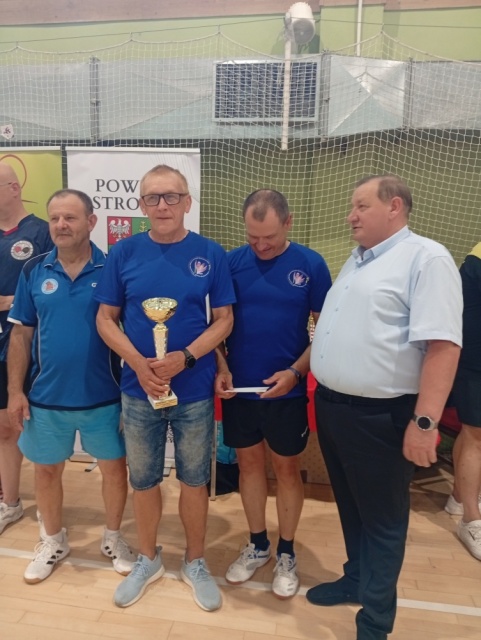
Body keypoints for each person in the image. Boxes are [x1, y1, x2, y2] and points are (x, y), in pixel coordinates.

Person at [307, 175, 463, 640]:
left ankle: (374, 623)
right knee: (352, 508)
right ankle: (356, 579)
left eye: (361, 206)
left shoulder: (426, 259)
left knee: (383, 521)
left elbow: (443, 347)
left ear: (394, 207)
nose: (350, 216)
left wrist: (424, 422)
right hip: (335, 408)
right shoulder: (359, 259)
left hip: (381, 416)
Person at [95, 164, 235, 611]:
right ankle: (148, 558)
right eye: (152, 198)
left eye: (171, 196)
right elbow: (105, 319)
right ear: (141, 205)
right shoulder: (123, 253)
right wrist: (139, 364)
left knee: (194, 480)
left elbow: (224, 320)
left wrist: (185, 357)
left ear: (187, 202)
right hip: (139, 391)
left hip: (193, 391)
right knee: (144, 480)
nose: (162, 205)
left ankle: (195, 561)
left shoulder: (210, 253)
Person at [7, 189, 135, 584]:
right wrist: (15, 391)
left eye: (70, 218)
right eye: (55, 218)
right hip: (46, 399)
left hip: (105, 397)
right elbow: (21, 335)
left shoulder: (113, 269)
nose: (61, 225)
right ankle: (52, 540)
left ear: (91, 222)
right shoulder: (34, 270)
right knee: (46, 472)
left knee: (114, 472)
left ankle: (113, 537)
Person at [215, 189, 331, 598]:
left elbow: (326, 331)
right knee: (248, 468)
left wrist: (296, 374)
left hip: (287, 392)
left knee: (285, 470)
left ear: (288, 222)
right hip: (240, 391)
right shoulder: (230, 263)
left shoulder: (311, 264)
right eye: (252, 237)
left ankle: (286, 552)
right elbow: (214, 325)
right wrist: (222, 366)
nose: (261, 246)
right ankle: (258, 544)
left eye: (269, 237)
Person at [0, 163, 53, 535]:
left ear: (14, 187)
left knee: (32, 427)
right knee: (4, 430)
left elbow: (54, 289)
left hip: (28, 349)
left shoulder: (43, 232)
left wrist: (12, 302)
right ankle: (11, 503)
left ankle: (50, 508)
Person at [444, 243, 481, 559]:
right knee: (476, 434)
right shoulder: (477, 261)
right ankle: (471, 519)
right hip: (475, 359)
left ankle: (458, 496)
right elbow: (465, 317)